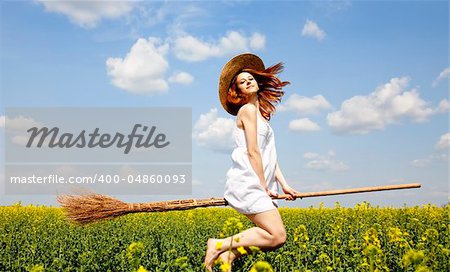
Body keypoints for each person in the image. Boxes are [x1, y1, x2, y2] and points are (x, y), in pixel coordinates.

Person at [204, 53, 300, 271]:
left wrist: (283, 184)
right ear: (238, 91)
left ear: (257, 81)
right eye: (242, 82)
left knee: (274, 238)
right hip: (249, 181)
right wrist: (263, 186)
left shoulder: (261, 116)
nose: (248, 82)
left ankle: (229, 256)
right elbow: (253, 152)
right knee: (277, 235)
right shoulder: (247, 111)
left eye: (250, 79)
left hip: (258, 181)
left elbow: (270, 157)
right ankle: (218, 245)